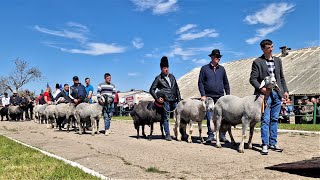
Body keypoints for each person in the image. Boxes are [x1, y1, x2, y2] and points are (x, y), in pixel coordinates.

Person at [250, 39, 289, 155]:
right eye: (268, 48)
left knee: (275, 119)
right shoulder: (257, 62)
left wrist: (285, 90)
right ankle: (265, 145)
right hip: (265, 95)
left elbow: (281, 77)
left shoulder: (278, 60)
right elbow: (252, 79)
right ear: (263, 49)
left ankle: (273, 142)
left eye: (272, 47)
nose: (271, 49)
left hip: (277, 93)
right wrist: (261, 89)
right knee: (265, 120)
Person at [198, 49, 230, 143]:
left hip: (221, 97)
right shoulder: (204, 68)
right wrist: (203, 95)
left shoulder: (222, 69)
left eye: (219, 57)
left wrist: (228, 95)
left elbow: (226, 83)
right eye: (216, 57)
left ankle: (222, 135)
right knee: (210, 117)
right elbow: (200, 83)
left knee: (223, 117)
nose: (218, 58)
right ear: (211, 57)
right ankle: (211, 135)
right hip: (209, 97)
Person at [149, 56, 181, 141]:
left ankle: (180, 134)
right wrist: (157, 99)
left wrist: (179, 100)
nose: (166, 69)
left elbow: (177, 89)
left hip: (175, 101)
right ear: (161, 68)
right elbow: (151, 89)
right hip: (166, 101)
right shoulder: (158, 78)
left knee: (179, 117)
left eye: (167, 67)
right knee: (166, 118)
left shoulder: (172, 77)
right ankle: (167, 135)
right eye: (164, 68)